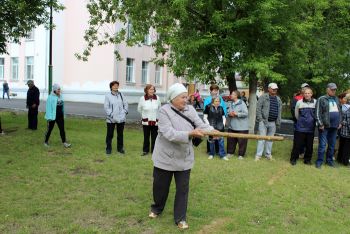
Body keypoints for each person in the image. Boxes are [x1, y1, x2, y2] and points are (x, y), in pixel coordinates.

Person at [149, 83, 214, 230]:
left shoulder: (190, 109)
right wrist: (190, 134)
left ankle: (180, 218)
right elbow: (169, 133)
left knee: (183, 189)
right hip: (165, 156)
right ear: (173, 98)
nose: (186, 100)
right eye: (183, 97)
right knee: (160, 187)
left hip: (184, 157)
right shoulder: (164, 111)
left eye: (187, 97)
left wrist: (213, 131)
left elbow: (200, 124)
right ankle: (156, 208)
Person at [315, 83, 342, 168]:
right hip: (324, 126)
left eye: (334, 89)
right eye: (332, 89)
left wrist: (340, 122)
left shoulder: (337, 99)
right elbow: (317, 113)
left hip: (335, 126)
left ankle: (329, 161)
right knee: (322, 145)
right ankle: (319, 161)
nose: (334, 91)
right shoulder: (321, 99)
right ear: (327, 89)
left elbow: (340, 112)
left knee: (332, 145)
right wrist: (320, 124)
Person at [255, 83, 282, 161]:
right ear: (269, 89)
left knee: (270, 139)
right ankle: (258, 155)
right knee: (262, 138)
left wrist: (278, 121)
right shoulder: (263, 97)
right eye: (273, 88)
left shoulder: (278, 99)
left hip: (273, 122)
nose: (275, 90)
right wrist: (260, 119)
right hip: (263, 121)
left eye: (276, 89)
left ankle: (268, 154)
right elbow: (258, 108)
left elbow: (279, 111)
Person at [290, 87, 316, 165]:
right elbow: (296, 114)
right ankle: (293, 159)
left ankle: (307, 160)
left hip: (311, 128)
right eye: (305, 93)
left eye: (309, 93)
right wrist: (301, 121)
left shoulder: (316, 102)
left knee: (309, 146)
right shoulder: (299, 102)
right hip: (300, 128)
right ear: (303, 94)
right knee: (297, 145)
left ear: (311, 94)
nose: (307, 95)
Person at [104, 81, 128, 155]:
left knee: (120, 134)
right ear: (111, 87)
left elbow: (125, 104)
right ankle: (108, 148)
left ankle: (120, 148)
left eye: (117, 85)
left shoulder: (121, 95)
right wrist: (111, 115)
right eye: (114, 86)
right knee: (110, 134)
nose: (116, 87)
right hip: (111, 119)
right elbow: (106, 107)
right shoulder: (108, 96)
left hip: (121, 118)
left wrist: (124, 112)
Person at [137, 84, 161, 156]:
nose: (152, 91)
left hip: (155, 121)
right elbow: (139, 109)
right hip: (146, 121)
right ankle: (145, 151)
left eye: (153, 89)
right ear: (147, 90)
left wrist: (157, 117)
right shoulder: (142, 98)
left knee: (155, 137)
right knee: (146, 137)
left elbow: (159, 108)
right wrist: (144, 115)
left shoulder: (157, 98)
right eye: (150, 89)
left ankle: (154, 151)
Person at [44, 84, 71, 148]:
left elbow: (62, 106)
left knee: (62, 129)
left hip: (60, 116)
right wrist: (49, 117)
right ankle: (46, 142)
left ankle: (64, 142)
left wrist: (63, 113)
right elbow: (48, 108)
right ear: (55, 90)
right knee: (50, 129)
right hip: (52, 116)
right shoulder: (50, 97)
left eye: (59, 89)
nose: (59, 90)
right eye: (58, 89)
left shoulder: (61, 96)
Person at [203, 84, 227, 154]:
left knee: (219, 136)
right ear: (211, 91)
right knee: (211, 136)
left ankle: (218, 150)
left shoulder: (220, 99)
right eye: (214, 90)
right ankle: (210, 151)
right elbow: (206, 110)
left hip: (219, 120)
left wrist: (224, 120)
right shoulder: (207, 99)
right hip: (211, 120)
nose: (215, 92)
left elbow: (223, 108)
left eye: (217, 90)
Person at [227, 90, 249, 159]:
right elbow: (228, 111)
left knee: (242, 142)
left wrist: (237, 114)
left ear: (236, 96)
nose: (231, 95)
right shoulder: (231, 103)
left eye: (232, 94)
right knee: (231, 140)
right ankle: (230, 153)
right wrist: (229, 113)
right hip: (232, 126)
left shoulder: (242, 103)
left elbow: (246, 113)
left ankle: (241, 155)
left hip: (242, 127)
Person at [336, 93, 350, 166]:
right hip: (348, 132)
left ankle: (339, 159)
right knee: (346, 147)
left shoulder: (342, 107)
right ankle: (345, 162)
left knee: (342, 145)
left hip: (342, 131)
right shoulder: (349, 108)